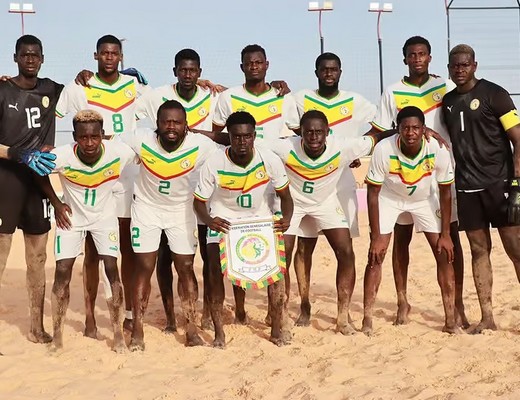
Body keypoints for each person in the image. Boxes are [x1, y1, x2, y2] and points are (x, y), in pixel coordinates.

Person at [367, 36, 468, 328]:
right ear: (405, 59)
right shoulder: (393, 92)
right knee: (401, 241)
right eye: (412, 55)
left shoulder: (444, 87)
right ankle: (402, 301)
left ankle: (456, 304)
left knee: (449, 242)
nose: (417, 59)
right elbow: (380, 131)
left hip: (438, 173)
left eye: (422, 54)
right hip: (404, 176)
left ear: (430, 57)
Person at [55, 34, 150, 337]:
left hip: (125, 174)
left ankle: (130, 314)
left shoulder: (136, 87)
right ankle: (90, 318)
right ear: (95, 55)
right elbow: (49, 113)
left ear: (121, 56)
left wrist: (209, 86)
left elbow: (171, 101)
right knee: (93, 253)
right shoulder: (80, 87)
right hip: (94, 175)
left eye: (115, 53)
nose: (110, 57)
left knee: (127, 248)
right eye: (104, 53)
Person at [267, 110, 391, 331]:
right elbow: (246, 141)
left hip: (325, 202)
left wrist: (409, 129)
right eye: (308, 133)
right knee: (282, 255)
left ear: (327, 132)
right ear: (300, 134)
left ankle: (342, 317)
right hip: (293, 203)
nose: (314, 137)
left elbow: (377, 138)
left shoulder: (342, 147)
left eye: (318, 132)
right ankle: (288, 309)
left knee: (346, 252)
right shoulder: (285, 146)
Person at [284, 52, 377, 325]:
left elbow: (381, 125)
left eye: (334, 69)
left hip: (342, 183)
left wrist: (349, 151)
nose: (329, 73)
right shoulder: (300, 99)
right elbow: (290, 133)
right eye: (324, 69)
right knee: (304, 247)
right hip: (307, 182)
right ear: (316, 72)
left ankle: (342, 314)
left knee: (344, 247)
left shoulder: (355, 100)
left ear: (340, 71)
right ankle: (304, 304)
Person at [135, 48, 220, 331]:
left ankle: (196, 321)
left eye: (192, 70)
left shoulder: (210, 105)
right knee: (156, 263)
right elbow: (116, 126)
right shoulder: (145, 130)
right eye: (182, 69)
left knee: (191, 264)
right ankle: (169, 319)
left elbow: (231, 135)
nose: (187, 74)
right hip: (149, 208)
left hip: (188, 207)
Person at [124, 100, 221, 351]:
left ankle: (190, 328)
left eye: (177, 122)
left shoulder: (200, 145)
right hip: (147, 209)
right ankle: (137, 329)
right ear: (156, 124)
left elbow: (229, 152)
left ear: (186, 125)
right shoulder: (140, 139)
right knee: (144, 265)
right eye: (166, 121)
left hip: (181, 211)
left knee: (186, 267)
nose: (171, 127)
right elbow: (108, 145)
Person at [193, 111, 293, 348]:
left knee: (275, 271)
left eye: (247, 136)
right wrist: (209, 221)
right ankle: (219, 333)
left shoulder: (268, 159)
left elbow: (286, 196)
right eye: (236, 137)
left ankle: (277, 327)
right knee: (214, 269)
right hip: (224, 221)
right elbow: (198, 202)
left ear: (254, 136)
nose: (242, 142)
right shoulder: (215, 163)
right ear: (230, 136)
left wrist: (286, 218)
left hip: (259, 220)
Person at [211, 44, 296, 323]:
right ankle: (239, 309)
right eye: (249, 63)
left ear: (267, 64)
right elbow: (216, 135)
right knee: (240, 246)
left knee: (277, 249)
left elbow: (302, 130)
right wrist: (240, 145)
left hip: (274, 177)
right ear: (242, 67)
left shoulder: (282, 96)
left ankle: (276, 310)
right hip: (243, 178)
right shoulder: (228, 97)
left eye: (259, 62)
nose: (254, 67)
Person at [38, 110, 135, 351]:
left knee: (112, 270)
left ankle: (117, 334)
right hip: (72, 219)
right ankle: (58, 335)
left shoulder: (120, 153)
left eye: (94, 137)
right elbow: (37, 172)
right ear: (74, 136)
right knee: (62, 271)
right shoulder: (61, 156)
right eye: (83, 138)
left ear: (103, 135)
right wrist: (56, 203)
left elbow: (147, 157)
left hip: (104, 218)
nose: (89, 143)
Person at [442, 44, 520, 334]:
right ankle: (487, 317)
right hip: (467, 187)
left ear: (474, 65)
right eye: (455, 66)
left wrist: (516, 182)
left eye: (464, 65)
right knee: (478, 250)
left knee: (515, 249)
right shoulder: (448, 101)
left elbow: (518, 138)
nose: (459, 70)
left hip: (499, 184)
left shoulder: (495, 94)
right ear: (449, 68)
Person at [363, 106, 459, 336]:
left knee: (444, 252)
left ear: (424, 129)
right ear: (397, 129)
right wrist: (376, 236)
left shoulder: (437, 148)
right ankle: (375, 314)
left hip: (424, 199)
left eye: (416, 127)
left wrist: (446, 234)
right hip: (391, 198)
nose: (410, 132)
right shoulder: (384, 149)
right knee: (376, 254)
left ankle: (449, 319)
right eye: (405, 127)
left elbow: (445, 192)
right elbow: (372, 194)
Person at [0, 35, 63, 347]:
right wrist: (16, 154)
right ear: (15, 58)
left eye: (35, 54)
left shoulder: (51, 89)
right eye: (24, 55)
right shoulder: (2, 90)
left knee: (37, 257)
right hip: (5, 182)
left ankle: (37, 327)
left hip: (37, 185)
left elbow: (87, 91)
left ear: (42, 58)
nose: (30, 59)